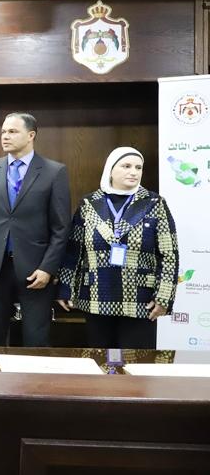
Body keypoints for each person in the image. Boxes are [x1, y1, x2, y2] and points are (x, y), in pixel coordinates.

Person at [57, 147, 178, 349]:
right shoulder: (89, 203)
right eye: (126, 166)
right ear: (110, 170)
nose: (133, 172)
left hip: (141, 299)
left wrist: (164, 297)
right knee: (100, 359)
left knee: (135, 362)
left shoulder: (154, 203)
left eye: (138, 167)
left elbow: (169, 255)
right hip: (96, 295)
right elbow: (73, 251)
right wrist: (65, 288)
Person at [0, 112, 71, 347]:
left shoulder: (54, 171)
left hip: (36, 270)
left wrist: (48, 268)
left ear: (31, 135)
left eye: (12, 131)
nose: (5, 136)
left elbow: (61, 227)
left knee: (36, 338)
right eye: (3, 131)